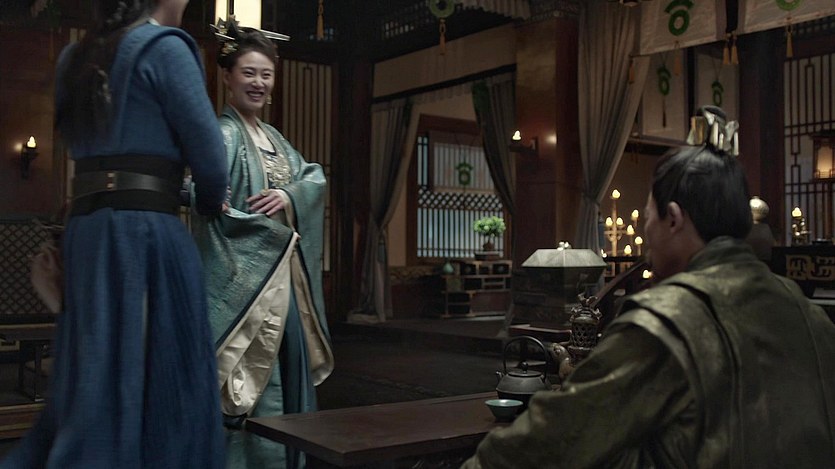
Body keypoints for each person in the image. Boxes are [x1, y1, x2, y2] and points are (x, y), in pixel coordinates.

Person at [462, 107, 835, 468]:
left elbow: (550, 440)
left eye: (649, 216)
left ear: (673, 218)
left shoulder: (664, 321)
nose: (646, 236)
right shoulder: (809, 314)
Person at [1, 0, 229, 467]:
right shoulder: (166, 48)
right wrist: (207, 200)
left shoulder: (74, 57)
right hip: (148, 233)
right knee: (164, 386)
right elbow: (211, 163)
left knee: (94, 377)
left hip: (87, 232)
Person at [190, 21, 334, 469]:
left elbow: (313, 176)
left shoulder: (275, 139)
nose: (258, 83)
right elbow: (190, 185)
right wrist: (216, 201)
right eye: (248, 73)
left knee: (285, 376)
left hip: (282, 284)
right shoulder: (223, 133)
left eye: (266, 74)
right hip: (243, 284)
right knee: (246, 383)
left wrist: (290, 195)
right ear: (227, 77)